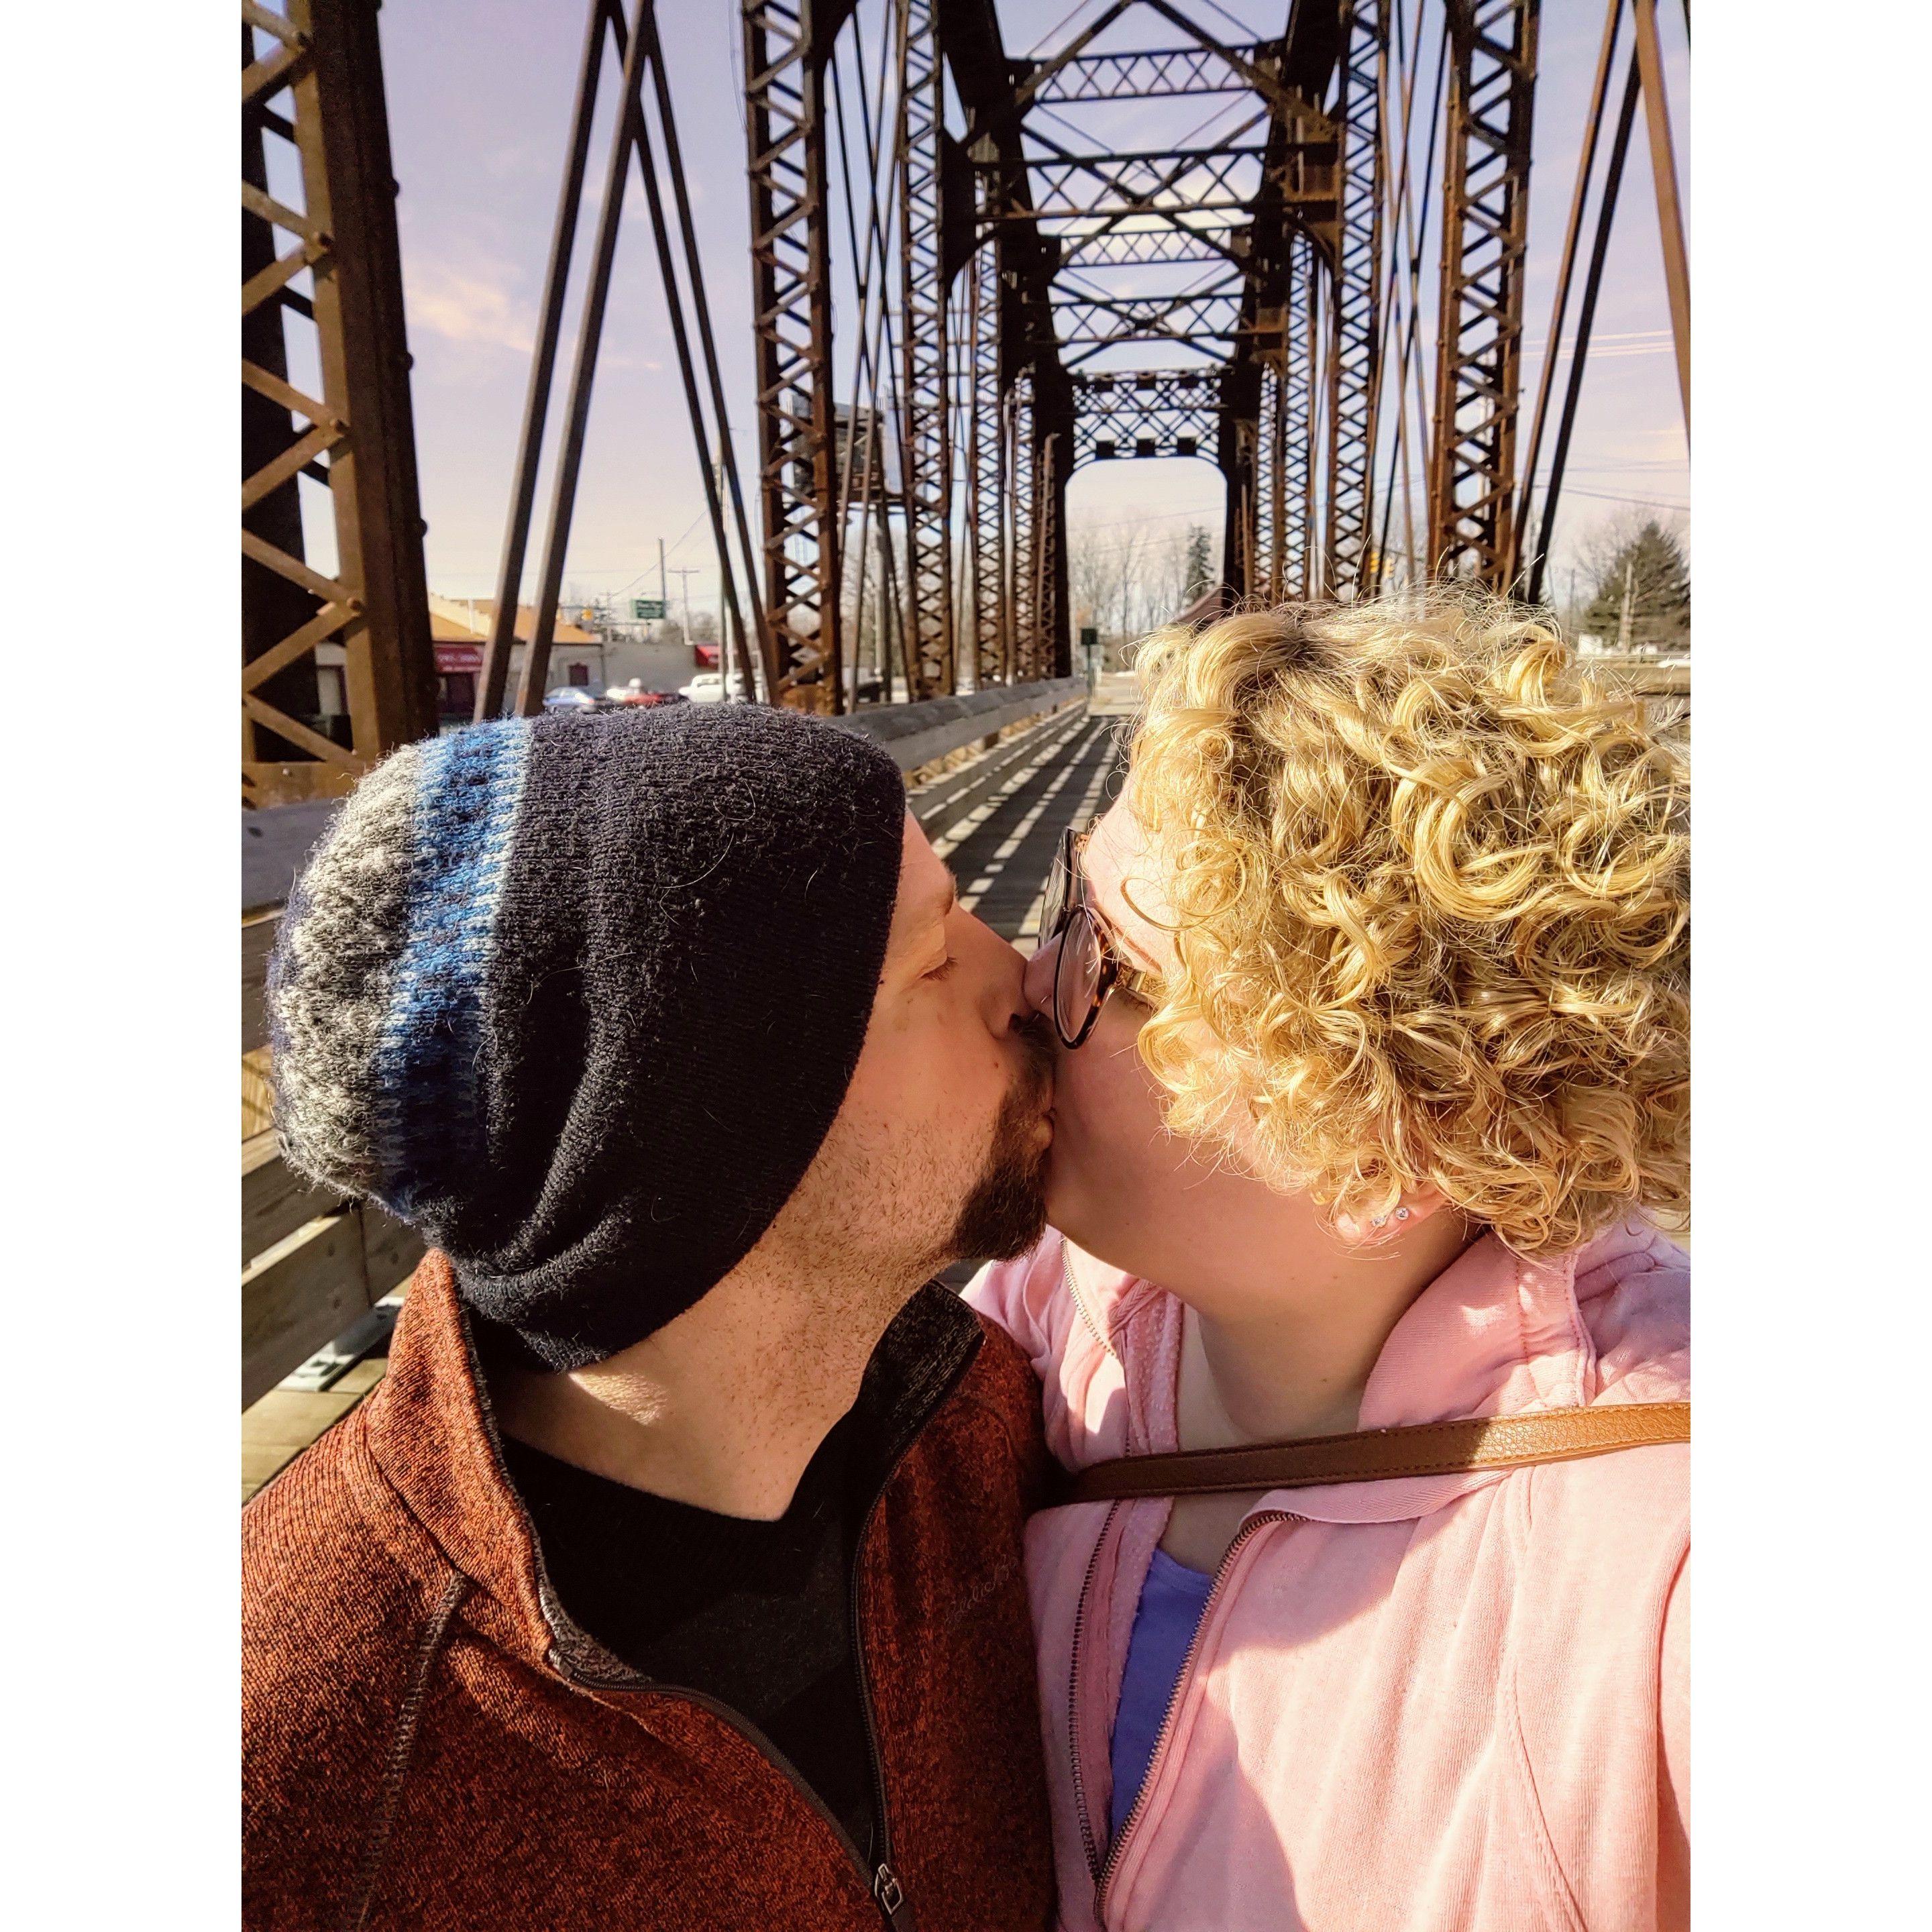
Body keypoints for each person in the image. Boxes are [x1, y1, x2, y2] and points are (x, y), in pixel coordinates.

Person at [244, 702, 1059, 1932]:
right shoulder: (296, 1753)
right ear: (702, 1142)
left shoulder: (987, 1425)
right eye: (932, 959)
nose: (1025, 980)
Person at [967, 592, 1690, 1932]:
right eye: (1065, 900)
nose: (1021, 979)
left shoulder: (1662, 1567)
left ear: (1373, 1155)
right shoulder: (1046, 1319)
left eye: (1107, 969)